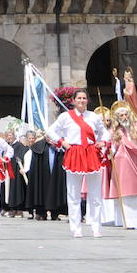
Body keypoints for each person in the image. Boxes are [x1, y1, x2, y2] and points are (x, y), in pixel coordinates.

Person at [46, 89, 106, 238]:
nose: (81, 100)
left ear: (87, 100)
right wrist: (62, 142)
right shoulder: (65, 117)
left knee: (95, 194)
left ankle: (96, 226)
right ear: (73, 100)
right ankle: (76, 227)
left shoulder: (94, 116)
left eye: (84, 98)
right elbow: (51, 131)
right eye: (79, 98)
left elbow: (104, 132)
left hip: (91, 152)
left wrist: (103, 142)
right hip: (74, 153)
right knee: (73, 193)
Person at [104, 104, 137, 229]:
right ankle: (128, 221)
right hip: (122, 164)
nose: (124, 117)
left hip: (136, 162)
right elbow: (111, 148)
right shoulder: (115, 131)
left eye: (125, 115)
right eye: (121, 115)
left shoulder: (136, 129)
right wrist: (113, 145)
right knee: (126, 192)